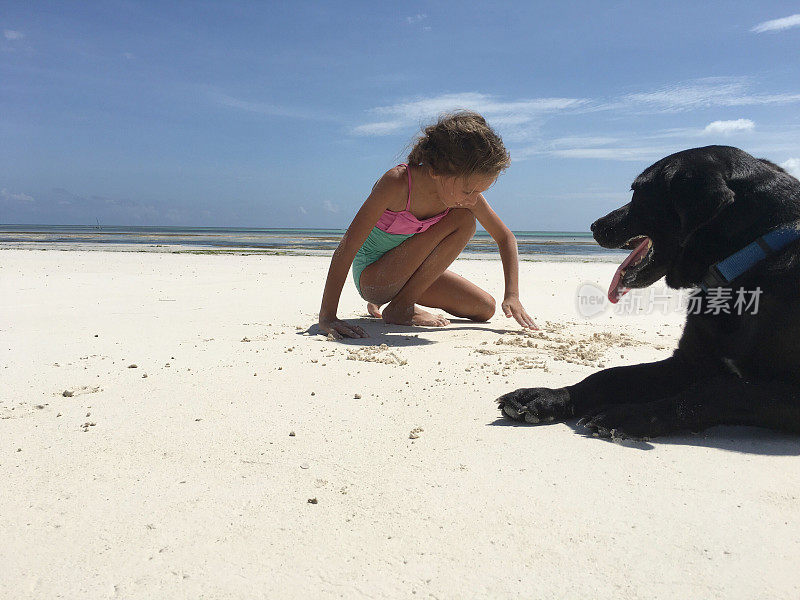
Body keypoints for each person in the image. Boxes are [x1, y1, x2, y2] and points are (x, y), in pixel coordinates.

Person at [318, 110, 535, 339]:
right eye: (469, 190)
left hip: (408, 274)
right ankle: (402, 307)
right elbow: (347, 247)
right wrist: (328, 316)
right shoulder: (397, 184)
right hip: (373, 278)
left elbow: (504, 237)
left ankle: (401, 304)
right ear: (436, 170)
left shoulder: (459, 192)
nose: (473, 199)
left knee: (484, 308)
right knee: (464, 219)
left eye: (479, 191)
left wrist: (512, 294)